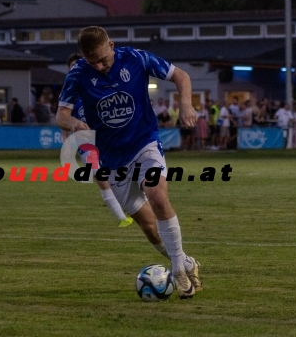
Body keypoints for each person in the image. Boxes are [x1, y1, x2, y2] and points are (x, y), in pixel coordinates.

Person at [56, 26, 202, 299]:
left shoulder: (137, 58)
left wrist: (185, 103)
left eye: (102, 59)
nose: (98, 66)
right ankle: (185, 261)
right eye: (92, 61)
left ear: (111, 45)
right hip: (113, 159)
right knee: (148, 226)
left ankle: (179, 272)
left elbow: (180, 75)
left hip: (144, 142)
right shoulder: (77, 74)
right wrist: (74, 122)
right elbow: (60, 115)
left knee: (157, 195)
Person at [62, 52, 133, 228]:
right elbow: (63, 118)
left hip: (105, 137)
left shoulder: (96, 85)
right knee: (100, 177)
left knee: (122, 171)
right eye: (72, 66)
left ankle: (140, 201)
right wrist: (67, 141)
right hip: (84, 141)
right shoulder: (69, 91)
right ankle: (121, 217)